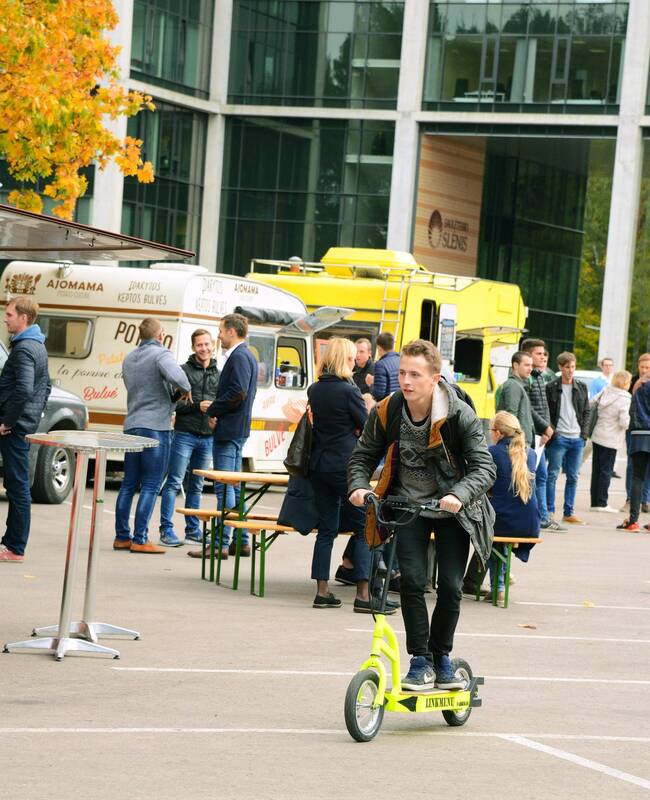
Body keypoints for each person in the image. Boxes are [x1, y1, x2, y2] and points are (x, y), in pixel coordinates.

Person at [348, 339, 496, 691]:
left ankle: (441, 656)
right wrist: (359, 486)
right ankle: (420, 660)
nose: (406, 381)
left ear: (435, 378)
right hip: (409, 507)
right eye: (402, 373)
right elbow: (363, 455)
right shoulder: (389, 409)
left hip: (453, 511)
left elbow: (485, 467)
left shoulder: (458, 415)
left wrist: (458, 494)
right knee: (412, 581)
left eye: (415, 374)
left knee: (451, 587)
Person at [307, 337, 398, 613]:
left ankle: (322, 591)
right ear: (344, 359)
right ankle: (363, 594)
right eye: (350, 357)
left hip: (319, 465)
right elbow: (367, 426)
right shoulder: (349, 391)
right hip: (345, 466)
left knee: (326, 530)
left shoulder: (314, 389)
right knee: (363, 528)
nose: (353, 362)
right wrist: (356, 429)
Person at [114, 318, 191, 554]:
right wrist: (186, 389)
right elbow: (180, 378)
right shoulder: (161, 354)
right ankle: (140, 538)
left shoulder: (129, 358)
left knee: (129, 483)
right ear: (160, 335)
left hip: (132, 423)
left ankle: (122, 536)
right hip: (155, 427)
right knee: (151, 483)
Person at [197, 313, 258, 559]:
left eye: (221, 331)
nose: (219, 335)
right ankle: (240, 540)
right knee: (234, 485)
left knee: (224, 486)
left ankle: (220, 544)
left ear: (232, 331)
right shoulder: (246, 355)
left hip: (230, 430)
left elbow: (237, 392)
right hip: (236, 428)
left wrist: (213, 409)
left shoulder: (239, 356)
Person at [0, 297, 51, 563]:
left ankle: (15, 547)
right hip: (24, 424)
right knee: (15, 483)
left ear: (24, 317)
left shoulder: (24, 349)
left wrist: (9, 421)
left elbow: (24, 389)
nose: (5, 318)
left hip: (15, 428)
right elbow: (46, 387)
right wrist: (33, 415)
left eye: (9, 314)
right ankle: (11, 543)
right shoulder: (37, 345)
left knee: (18, 485)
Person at [158, 329, 219, 547]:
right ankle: (166, 530)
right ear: (193, 348)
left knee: (197, 486)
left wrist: (217, 417)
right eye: (199, 345)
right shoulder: (182, 371)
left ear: (213, 345)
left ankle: (193, 531)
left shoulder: (219, 374)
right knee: (174, 482)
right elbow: (173, 404)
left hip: (208, 438)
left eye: (207, 344)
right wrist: (197, 406)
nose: (204, 348)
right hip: (185, 434)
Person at [486, 411, 540, 604]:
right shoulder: (531, 453)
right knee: (500, 528)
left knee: (486, 530)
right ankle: (502, 576)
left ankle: (499, 586)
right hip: (530, 522)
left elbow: (485, 486)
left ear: (498, 433)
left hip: (503, 521)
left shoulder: (492, 452)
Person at [545, 352, 589, 526]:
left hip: (577, 439)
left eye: (573, 367)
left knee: (573, 476)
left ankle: (568, 512)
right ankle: (549, 511)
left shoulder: (581, 387)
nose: (570, 370)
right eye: (567, 367)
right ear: (560, 367)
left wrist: (583, 435)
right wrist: (554, 434)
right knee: (552, 474)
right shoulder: (551, 387)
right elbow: (547, 413)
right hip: (559, 438)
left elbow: (586, 411)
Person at [521, 338, 559, 530]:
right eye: (539, 354)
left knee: (541, 476)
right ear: (528, 355)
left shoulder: (539, 376)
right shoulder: (527, 380)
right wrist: (544, 428)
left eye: (544, 354)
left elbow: (544, 407)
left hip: (541, 434)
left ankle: (542, 516)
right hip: (534, 434)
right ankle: (539, 517)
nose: (543, 357)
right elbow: (529, 409)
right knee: (536, 476)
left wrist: (548, 427)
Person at [590, 370, 631, 513]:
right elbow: (624, 422)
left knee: (596, 470)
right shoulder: (625, 397)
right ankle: (602, 503)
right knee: (606, 471)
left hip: (598, 434)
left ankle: (594, 502)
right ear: (625, 383)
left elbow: (591, 402)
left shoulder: (605, 391)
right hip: (611, 439)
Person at [617, 373, 650, 532]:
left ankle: (633, 521)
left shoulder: (638, 387)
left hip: (640, 435)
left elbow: (632, 411)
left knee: (638, 478)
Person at [622, 353, 650, 513]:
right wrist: (637, 386)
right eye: (642, 367)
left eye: (648, 367)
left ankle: (645, 500)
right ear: (638, 366)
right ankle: (630, 499)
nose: (645, 370)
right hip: (634, 429)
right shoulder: (632, 381)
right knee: (632, 465)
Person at [496, 351, 534, 446]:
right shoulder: (513, 385)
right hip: (517, 444)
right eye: (527, 365)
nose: (530, 369)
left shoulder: (518, 385)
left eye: (531, 365)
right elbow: (511, 416)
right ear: (515, 365)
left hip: (520, 442)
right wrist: (516, 442)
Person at [372, 331, 400, 401]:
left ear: (379, 348)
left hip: (387, 404)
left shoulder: (380, 365)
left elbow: (378, 394)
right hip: (400, 402)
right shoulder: (401, 360)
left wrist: (372, 383)